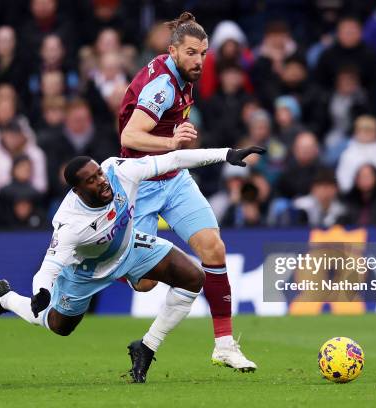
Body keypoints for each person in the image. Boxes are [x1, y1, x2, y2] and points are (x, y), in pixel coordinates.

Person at [0, 145, 264, 383]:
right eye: (91, 181)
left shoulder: (119, 171)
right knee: (59, 326)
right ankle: (6, 298)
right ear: (77, 191)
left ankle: (147, 347)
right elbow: (48, 267)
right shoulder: (70, 224)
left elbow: (174, 159)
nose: (101, 181)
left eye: (99, 174)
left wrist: (226, 154)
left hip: (131, 248)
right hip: (87, 272)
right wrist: (41, 292)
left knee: (193, 277)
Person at [118, 12, 257, 371]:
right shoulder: (162, 85)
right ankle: (118, 257)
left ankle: (224, 344)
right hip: (143, 184)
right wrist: (170, 142)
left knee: (214, 248)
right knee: (145, 284)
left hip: (174, 179)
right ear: (173, 50)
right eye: (192, 53)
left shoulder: (183, 75)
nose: (199, 60)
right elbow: (129, 137)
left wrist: (175, 148)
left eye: (203, 53)